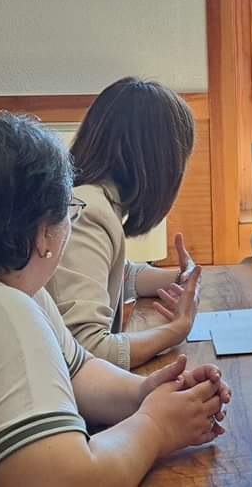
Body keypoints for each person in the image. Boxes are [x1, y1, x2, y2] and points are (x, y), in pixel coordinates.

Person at [0, 113, 231, 486]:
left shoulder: (8, 292)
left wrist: (145, 393)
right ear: (43, 234)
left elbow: (78, 371)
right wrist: (155, 425)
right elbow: (68, 480)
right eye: (68, 213)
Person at [47, 77, 199, 369]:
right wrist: (175, 330)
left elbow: (116, 273)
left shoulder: (96, 197)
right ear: (161, 161)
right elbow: (91, 352)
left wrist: (181, 279)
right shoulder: (87, 213)